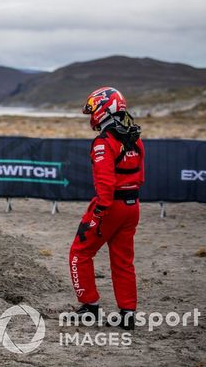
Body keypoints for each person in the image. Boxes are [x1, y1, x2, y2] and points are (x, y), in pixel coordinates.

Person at [69, 87, 144, 330]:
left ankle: (89, 307)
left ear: (103, 109)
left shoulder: (103, 142)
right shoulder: (135, 139)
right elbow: (140, 177)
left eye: (93, 110)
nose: (91, 116)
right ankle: (127, 314)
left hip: (110, 206)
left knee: (79, 253)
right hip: (132, 206)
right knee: (123, 261)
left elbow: (105, 183)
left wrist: (99, 211)